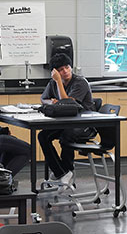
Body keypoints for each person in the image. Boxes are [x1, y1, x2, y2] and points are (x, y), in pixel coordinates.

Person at [37, 53, 95, 190]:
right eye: (61, 70)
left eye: (67, 67)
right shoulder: (53, 83)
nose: (66, 71)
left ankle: (66, 171)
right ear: (55, 71)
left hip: (83, 124)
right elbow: (43, 98)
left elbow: (69, 104)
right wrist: (51, 101)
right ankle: (61, 172)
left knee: (66, 135)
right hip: (65, 122)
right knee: (43, 136)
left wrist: (58, 82)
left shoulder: (80, 82)